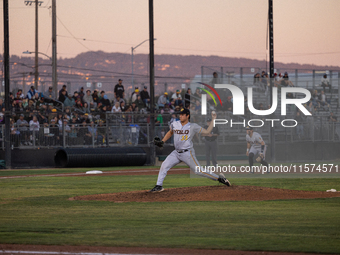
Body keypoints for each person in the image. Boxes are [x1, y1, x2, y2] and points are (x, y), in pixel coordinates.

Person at [149, 109, 230, 192]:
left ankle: (219, 178)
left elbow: (207, 131)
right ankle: (159, 186)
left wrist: (213, 120)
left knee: (198, 171)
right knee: (164, 165)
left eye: (183, 114)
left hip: (187, 153)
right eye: (180, 114)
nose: (180, 116)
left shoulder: (193, 126)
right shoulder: (175, 124)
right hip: (176, 153)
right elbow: (170, 132)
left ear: (187, 116)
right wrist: (162, 141)